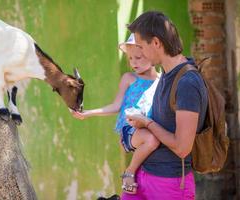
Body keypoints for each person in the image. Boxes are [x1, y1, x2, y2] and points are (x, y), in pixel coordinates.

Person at [124, 11, 208, 200]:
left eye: (141, 46)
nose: (140, 53)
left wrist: (146, 122)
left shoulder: (187, 83)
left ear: (156, 43)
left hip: (170, 185)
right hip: (143, 176)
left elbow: (182, 147)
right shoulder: (166, 74)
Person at [71, 34, 160, 194]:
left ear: (152, 54)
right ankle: (129, 171)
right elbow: (116, 106)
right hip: (129, 131)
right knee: (151, 140)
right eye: (130, 58)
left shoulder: (161, 81)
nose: (133, 62)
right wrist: (88, 113)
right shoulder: (129, 78)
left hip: (148, 127)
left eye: (138, 58)